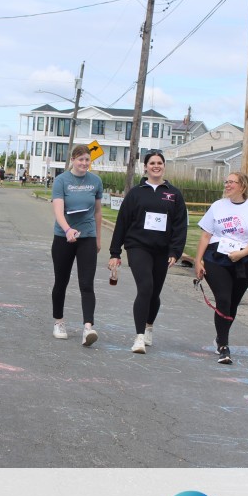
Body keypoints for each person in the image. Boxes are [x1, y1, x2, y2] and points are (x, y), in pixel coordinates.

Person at [108, 151, 188, 354]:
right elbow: (122, 222)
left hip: (162, 250)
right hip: (138, 247)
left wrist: (175, 251)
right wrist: (115, 253)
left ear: (164, 166)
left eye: (159, 163)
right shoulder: (136, 193)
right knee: (145, 287)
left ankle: (149, 325)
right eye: (152, 163)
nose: (156, 166)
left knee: (154, 293)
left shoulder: (174, 194)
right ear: (145, 167)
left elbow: (180, 225)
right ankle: (139, 337)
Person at [194, 172, 248, 364]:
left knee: (232, 304)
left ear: (242, 186)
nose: (227, 185)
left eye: (232, 182)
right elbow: (205, 235)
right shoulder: (218, 206)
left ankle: (220, 336)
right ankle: (224, 347)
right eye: (226, 182)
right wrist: (198, 261)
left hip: (244, 260)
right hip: (216, 258)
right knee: (223, 299)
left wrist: (241, 254)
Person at [51, 145, 103, 346]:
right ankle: (59, 322)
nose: (84, 163)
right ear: (73, 160)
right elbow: (58, 210)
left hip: (87, 236)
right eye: (80, 159)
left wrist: (98, 238)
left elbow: (97, 211)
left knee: (87, 283)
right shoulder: (61, 180)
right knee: (61, 281)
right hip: (63, 237)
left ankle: (88, 327)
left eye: (87, 159)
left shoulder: (95, 181)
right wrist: (67, 230)